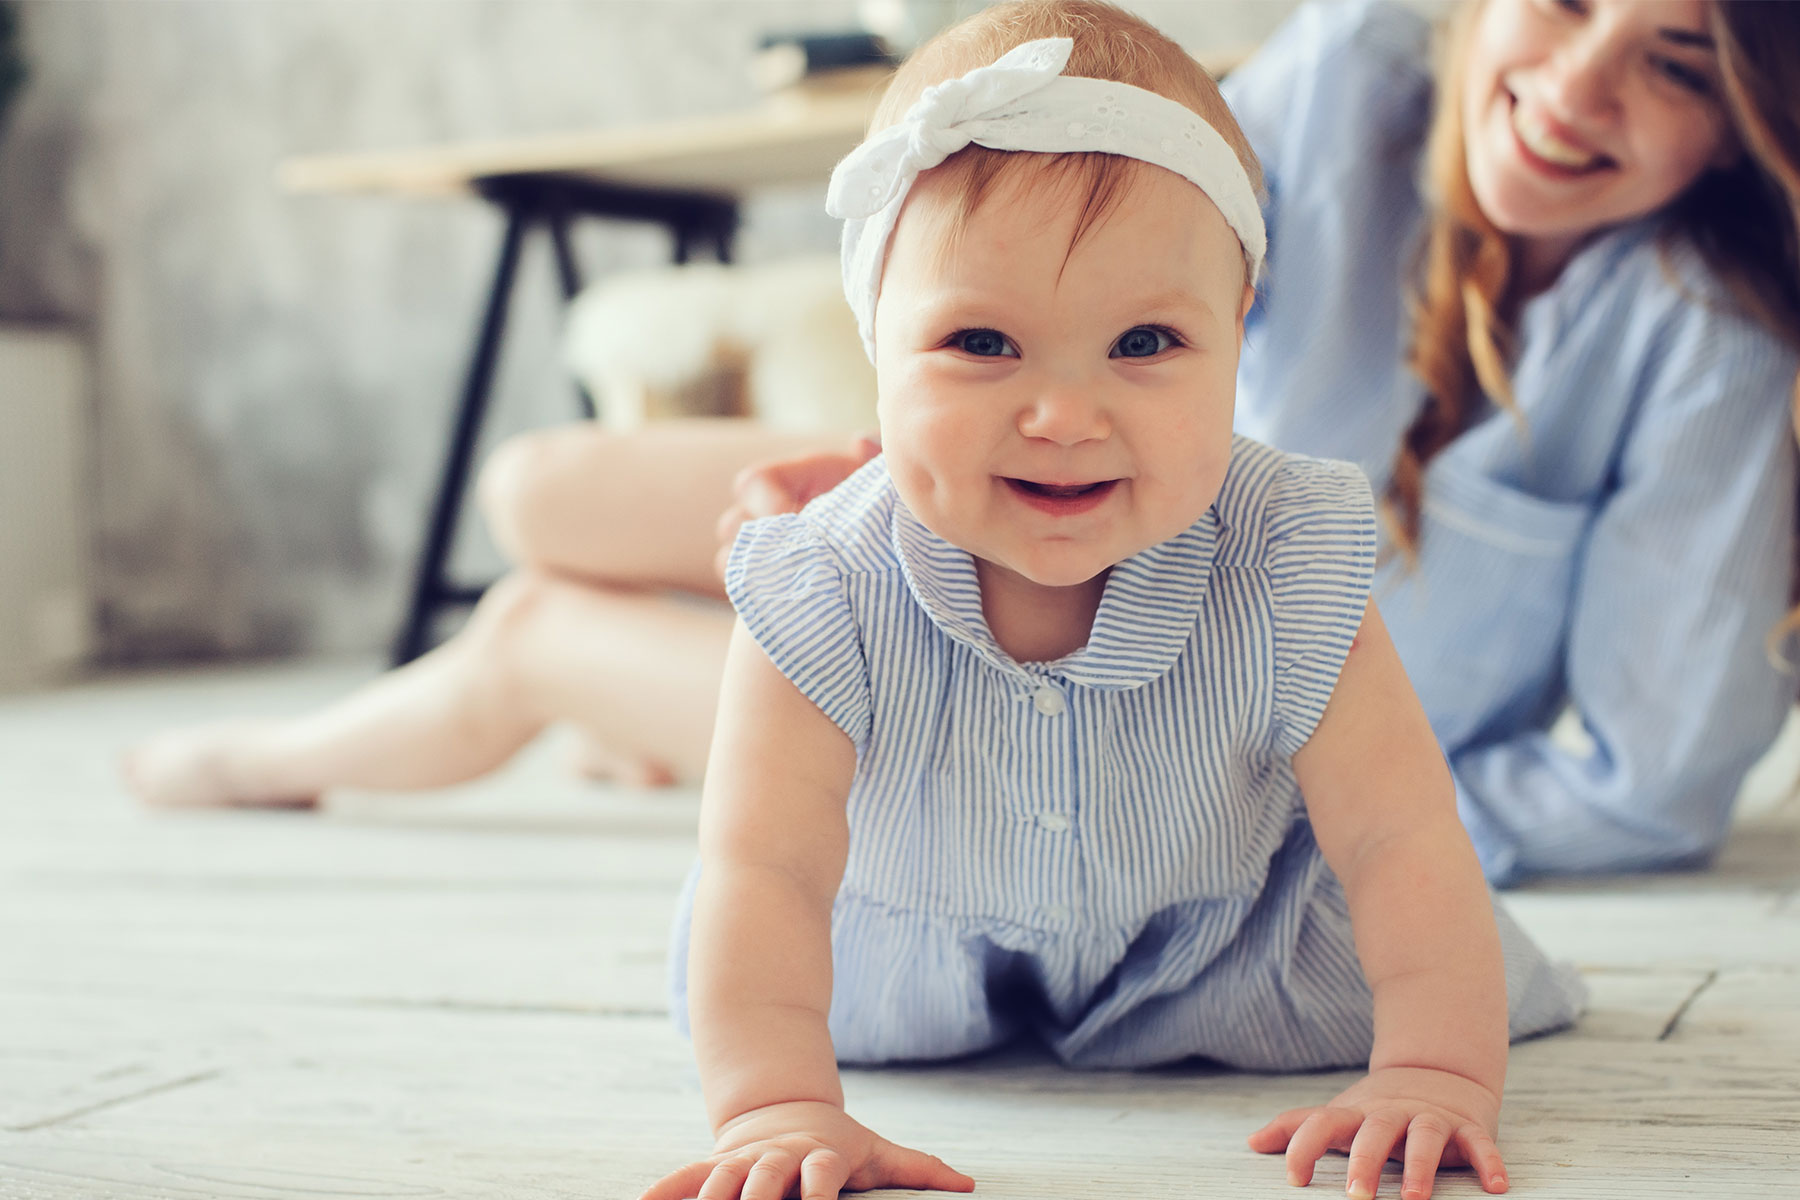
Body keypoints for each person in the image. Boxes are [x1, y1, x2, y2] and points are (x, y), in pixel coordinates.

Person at [123, 0, 1800, 890]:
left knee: (532, 625)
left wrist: (1303, 816)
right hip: (1066, 487)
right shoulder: (1361, 70)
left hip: (1141, 703)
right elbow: (1122, 257)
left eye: (1675, 61)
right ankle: (680, 698)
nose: (1578, 90)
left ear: (1750, 116)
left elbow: (1649, 787)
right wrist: (910, 441)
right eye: (1565, 0)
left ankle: (290, 759)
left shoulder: (1701, 338)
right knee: (539, 488)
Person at [641, 7, 1583, 1200]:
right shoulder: (823, 578)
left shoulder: (1286, 552)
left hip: (1232, 948)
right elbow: (763, 870)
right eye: (981, 341)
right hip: (907, 961)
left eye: (1145, 341)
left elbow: (1399, 836)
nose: (1065, 416)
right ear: (873, 337)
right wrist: (778, 1103)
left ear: (1238, 331)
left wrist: (1436, 1073)